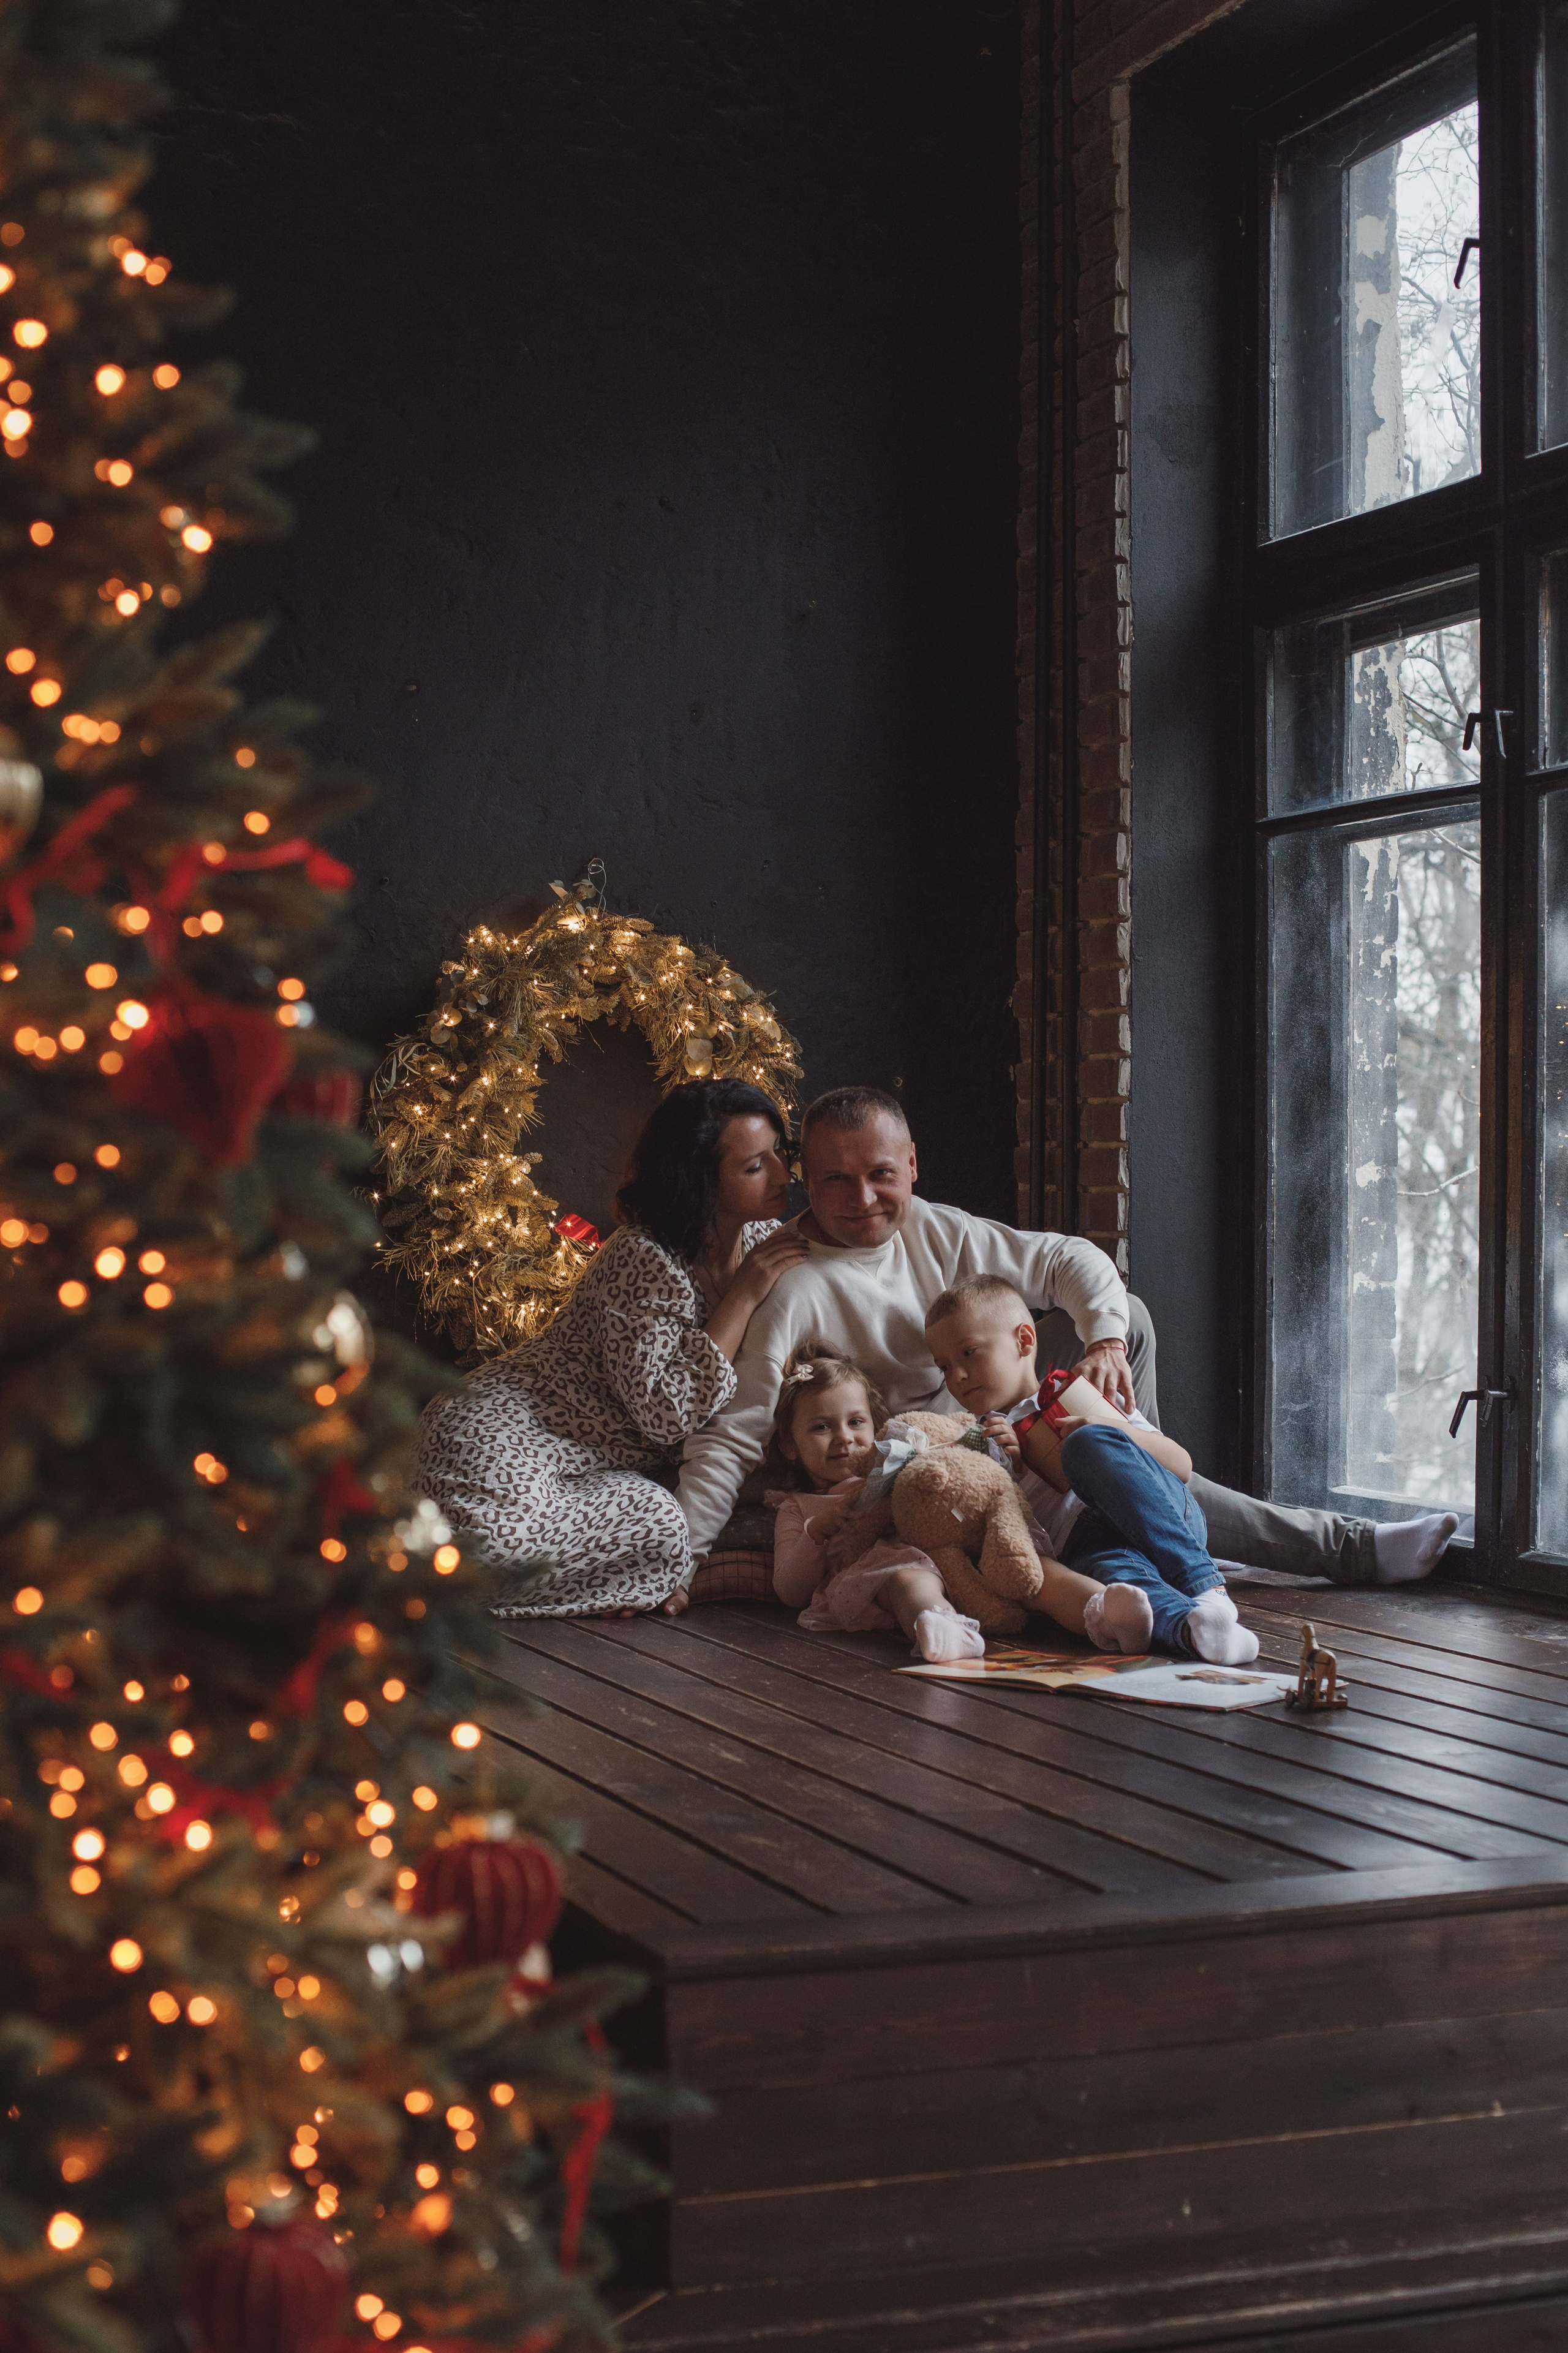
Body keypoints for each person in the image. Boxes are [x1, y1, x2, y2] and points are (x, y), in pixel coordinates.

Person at [676, 1084, 1460, 1587]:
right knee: (1113, 1448)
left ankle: (1145, 1519)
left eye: (881, 1173)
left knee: (1128, 1317)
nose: (863, 1198)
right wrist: (677, 1563)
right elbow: (733, 1429)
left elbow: (1067, 1259)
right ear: (807, 1181)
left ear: (912, 1164)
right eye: (835, 1180)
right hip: (928, 1462)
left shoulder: (935, 1228)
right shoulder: (793, 1278)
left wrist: (1106, 1341)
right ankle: (1343, 1546)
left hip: (993, 1409)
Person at [415, 1079, 808, 1617]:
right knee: (654, 1527)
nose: (784, 1175)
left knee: (667, 1521)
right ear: (700, 1180)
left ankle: (629, 1578)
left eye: (780, 1153)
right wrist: (741, 1296)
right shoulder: (644, 1257)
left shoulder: (763, 1239)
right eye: (756, 1166)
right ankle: (628, 1582)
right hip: (497, 1435)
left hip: (581, 1471)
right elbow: (667, 1415)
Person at [927, 1274, 1259, 1664]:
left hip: (1164, 1517)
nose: (957, 1376)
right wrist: (1008, 1469)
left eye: (969, 1353)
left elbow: (1182, 1466)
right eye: (944, 1367)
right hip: (1089, 1546)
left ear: (1024, 1341)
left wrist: (1110, 1428)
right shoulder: (975, 1439)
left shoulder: (1078, 1392)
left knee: (1086, 1443)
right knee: (1124, 1596)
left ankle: (1205, 1586)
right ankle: (1196, 1630)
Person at [766, 1345, 989, 1663]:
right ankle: (942, 1632)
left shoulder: (893, 1472)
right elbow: (790, 1592)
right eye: (822, 1427)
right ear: (789, 1445)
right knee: (904, 1579)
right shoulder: (797, 1508)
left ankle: (946, 1629)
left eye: (856, 1422)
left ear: (876, 1427)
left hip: (943, 1562)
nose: (844, 1437)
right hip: (864, 1586)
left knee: (916, 1577)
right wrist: (815, 1531)